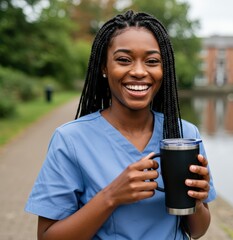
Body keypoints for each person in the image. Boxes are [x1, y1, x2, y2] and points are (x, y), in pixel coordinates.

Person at [25, 10, 216, 240]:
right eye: (124, 60)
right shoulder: (71, 140)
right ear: (104, 67)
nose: (138, 71)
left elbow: (196, 231)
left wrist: (196, 200)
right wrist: (112, 196)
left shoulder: (183, 135)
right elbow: (47, 237)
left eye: (152, 61)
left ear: (164, 69)